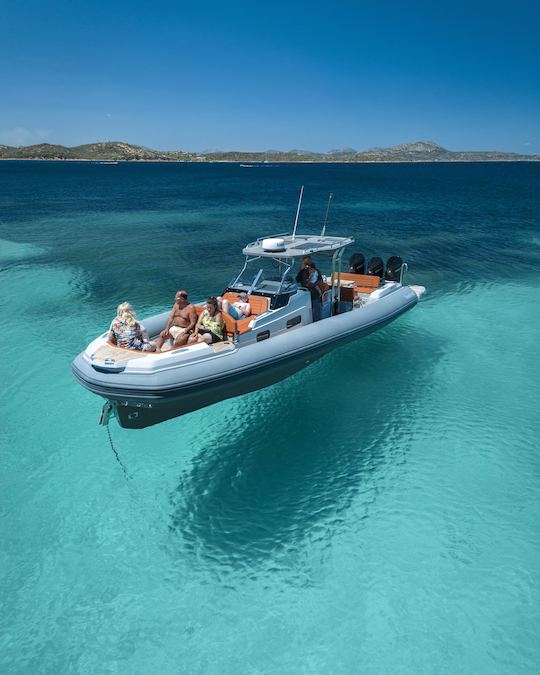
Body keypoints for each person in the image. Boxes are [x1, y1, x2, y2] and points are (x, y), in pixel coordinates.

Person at [296, 256, 323, 321]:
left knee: (315, 308)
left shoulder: (316, 271)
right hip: (306, 292)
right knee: (309, 308)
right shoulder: (302, 272)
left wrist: (314, 284)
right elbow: (298, 280)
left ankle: (316, 321)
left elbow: (320, 280)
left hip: (313, 293)